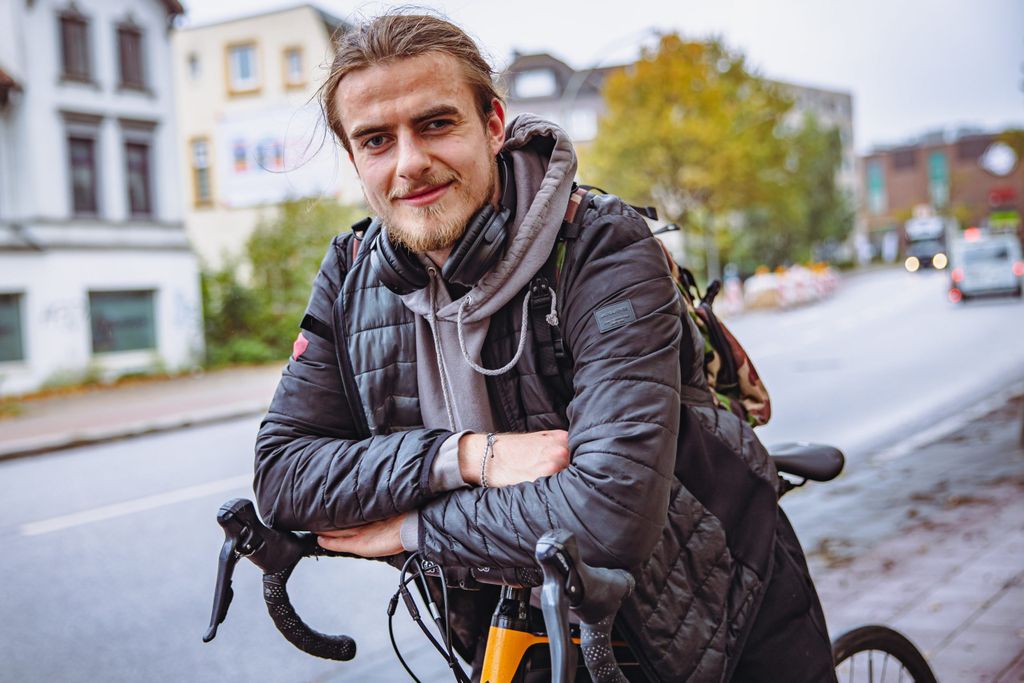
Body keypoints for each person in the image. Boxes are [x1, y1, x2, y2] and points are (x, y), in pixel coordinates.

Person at [254, 12, 835, 682]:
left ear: (493, 124)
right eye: (377, 140)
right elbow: (283, 473)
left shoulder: (602, 246)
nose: (410, 162)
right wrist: (469, 456)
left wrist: (412, 528)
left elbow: (608, 515)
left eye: (436, 123)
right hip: (518, 626)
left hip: (718, 605)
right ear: (354, 160)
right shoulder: (353, 272)